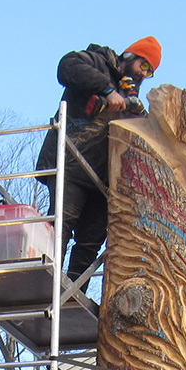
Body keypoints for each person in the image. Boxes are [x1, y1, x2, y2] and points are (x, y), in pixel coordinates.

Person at [35, 36, 162, 286]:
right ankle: (44, 286)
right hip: (73, 161)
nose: (143, 75)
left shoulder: (131, 98)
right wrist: (107, 89)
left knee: (91, 240)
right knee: (60, 225)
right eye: (143, 65)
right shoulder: (99, 61)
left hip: (103, 177)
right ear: (130, 56)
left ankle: (72, 291)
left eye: (150, 72)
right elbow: (67, 66)